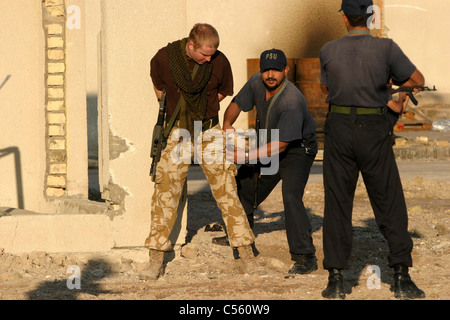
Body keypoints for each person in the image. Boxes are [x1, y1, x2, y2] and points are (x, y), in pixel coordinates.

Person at [319, 0, 426, 299]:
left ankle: (336, 280)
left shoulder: (328, 49)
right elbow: (417, 80)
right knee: (389, 200)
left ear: (344, 18)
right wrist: (391, 86)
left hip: (339, 126)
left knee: (338, 202)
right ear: (369, 16)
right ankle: (402, 277)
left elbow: (327, 89)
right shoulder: (386, 47)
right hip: (373, 128)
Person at [142, 23, 258, 280]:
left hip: (208, 131)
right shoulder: (163, 58)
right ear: (191, 45)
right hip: (176, 133)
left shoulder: (219, 61)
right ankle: (155, 259)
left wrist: (199, 110)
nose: (209, 59)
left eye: (212, 53)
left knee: (227, 189)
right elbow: (160, 92)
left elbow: (219, 95)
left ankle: (246, 255)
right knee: (165, 193)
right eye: (204, 54)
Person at [214, 48, 319, 275]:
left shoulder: (292, 100)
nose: (271, 74)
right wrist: (227, 124)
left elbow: (282, 145)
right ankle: (241, 234)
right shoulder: (256, 82)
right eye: (266, 70)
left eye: (276, 70)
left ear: (286, 70)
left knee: (291, 196)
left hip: (297, 149)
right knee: (243, 184)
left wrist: (245, 156)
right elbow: (236, 104)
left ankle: (304, 256)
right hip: (269, 143)